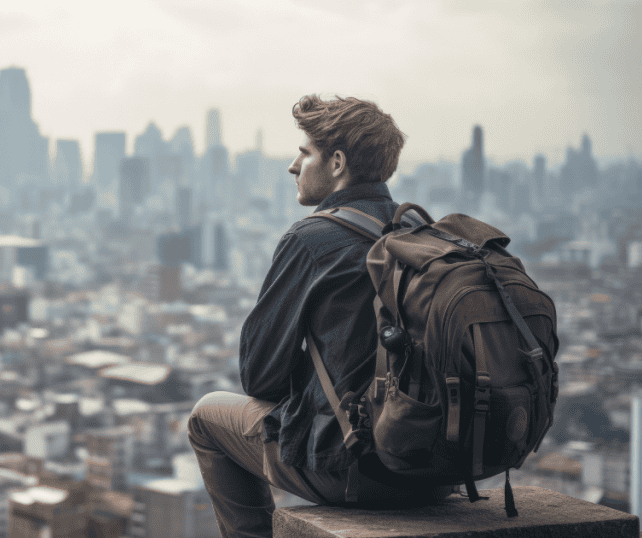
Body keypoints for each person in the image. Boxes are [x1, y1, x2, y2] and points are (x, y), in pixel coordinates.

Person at [188, 94, 451, 538]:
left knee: (206, 417)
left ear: (337, 163)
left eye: (304, 152)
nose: (293, 166)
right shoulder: (422, 235)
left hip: (355, 471)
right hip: (438, 473)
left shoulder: (313, 238)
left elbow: (259, 379)